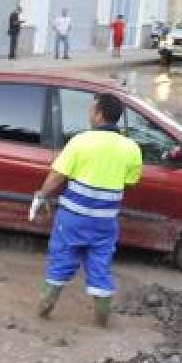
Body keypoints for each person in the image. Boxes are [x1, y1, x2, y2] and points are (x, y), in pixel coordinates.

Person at [30, 93, 142, 326]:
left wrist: (42, 195)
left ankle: (43, 311)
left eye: (92, 110)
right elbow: (130, 182)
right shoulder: (131, 148)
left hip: (73, 218)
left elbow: (57, 175)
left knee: (61, 259)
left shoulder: (81, 141)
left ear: (100, 114)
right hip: (105, 222)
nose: (89, 114)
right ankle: (102, 321)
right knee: (100, 265)